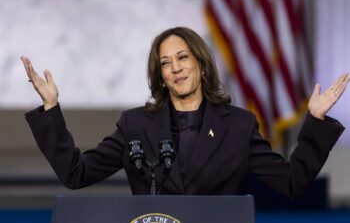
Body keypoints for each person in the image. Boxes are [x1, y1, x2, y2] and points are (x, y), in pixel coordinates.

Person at [21, 27, 348, 196]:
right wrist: (51, 108)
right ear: (160, 75)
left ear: (201, 65)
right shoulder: (135, 124)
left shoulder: (239, 125)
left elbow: (292, 182)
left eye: (183, 58)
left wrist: (315, 122)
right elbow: (76, 174)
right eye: (165, 63)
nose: (175, 68)